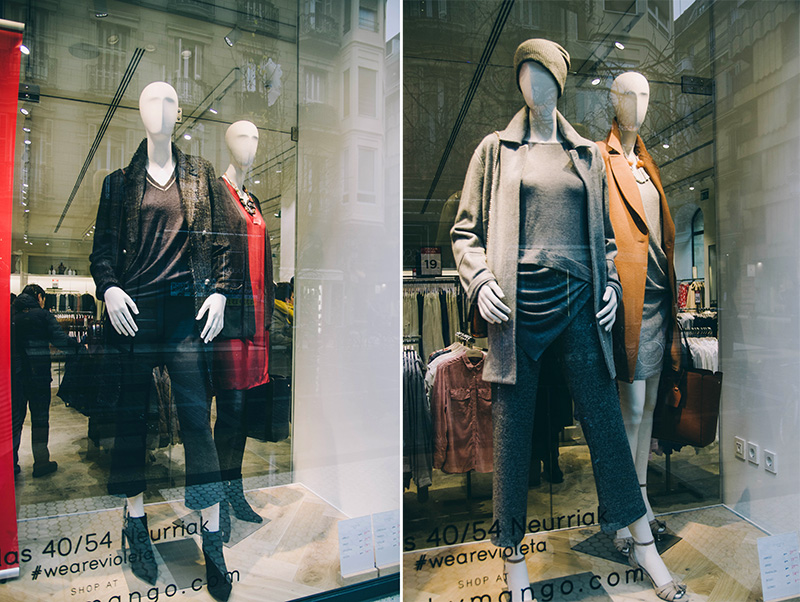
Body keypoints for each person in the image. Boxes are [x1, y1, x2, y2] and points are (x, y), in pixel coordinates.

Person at [451, 39, 687, 601]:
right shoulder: (495, 150)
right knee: (513, 438)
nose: (532, 84)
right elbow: (465, 232)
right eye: (525, 74)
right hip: (517, 306)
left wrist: (610, 286)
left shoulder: (585, 154)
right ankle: (513, 561)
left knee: (605, 424)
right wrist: (480, 280)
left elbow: (605, 241)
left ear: (559, 82)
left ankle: (643, 543)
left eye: (543, 74)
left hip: (580, 301)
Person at [90, 81, 233, 600]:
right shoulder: (118, 183)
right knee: (132, 420)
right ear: (139, 110)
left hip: (182, 314)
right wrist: (109, 287)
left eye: (171, 101)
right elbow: (102, 251)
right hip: (135, 311)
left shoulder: (200, 175)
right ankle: (135, 522)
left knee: (197, 418)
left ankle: (212, 534)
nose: (163, 109)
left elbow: (224, 241)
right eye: (153, 100)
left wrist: (219, 292)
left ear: (179, 112)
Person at [597, 71, 681, 553]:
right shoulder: (600, 159)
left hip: (658, 300)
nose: (638, 103)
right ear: (613, 100)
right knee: (629, 410)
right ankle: (625, 515)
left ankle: (642, 502)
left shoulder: (648, 164)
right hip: (628, 302)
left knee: (647, 408)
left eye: (645, 94)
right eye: (628, 94)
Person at [213, 121, 273, 539]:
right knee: (230, 411)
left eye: (255, 138)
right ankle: (217, 499)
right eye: (242, 137)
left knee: (245, 411)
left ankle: (234, 491)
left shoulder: (252, 199)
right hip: (231, 320)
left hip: (257, 319)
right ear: (227, 143)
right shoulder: (217, 194)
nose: (249, 146)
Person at [11, 284, 79, 477]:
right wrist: (79, 347)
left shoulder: (10, 315)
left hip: (15, 375)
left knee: (15, 420)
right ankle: (41, 463)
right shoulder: (43, 316)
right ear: (39, 297)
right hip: (38, 375)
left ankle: (11, 464)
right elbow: (60, 340)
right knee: (40, 420)